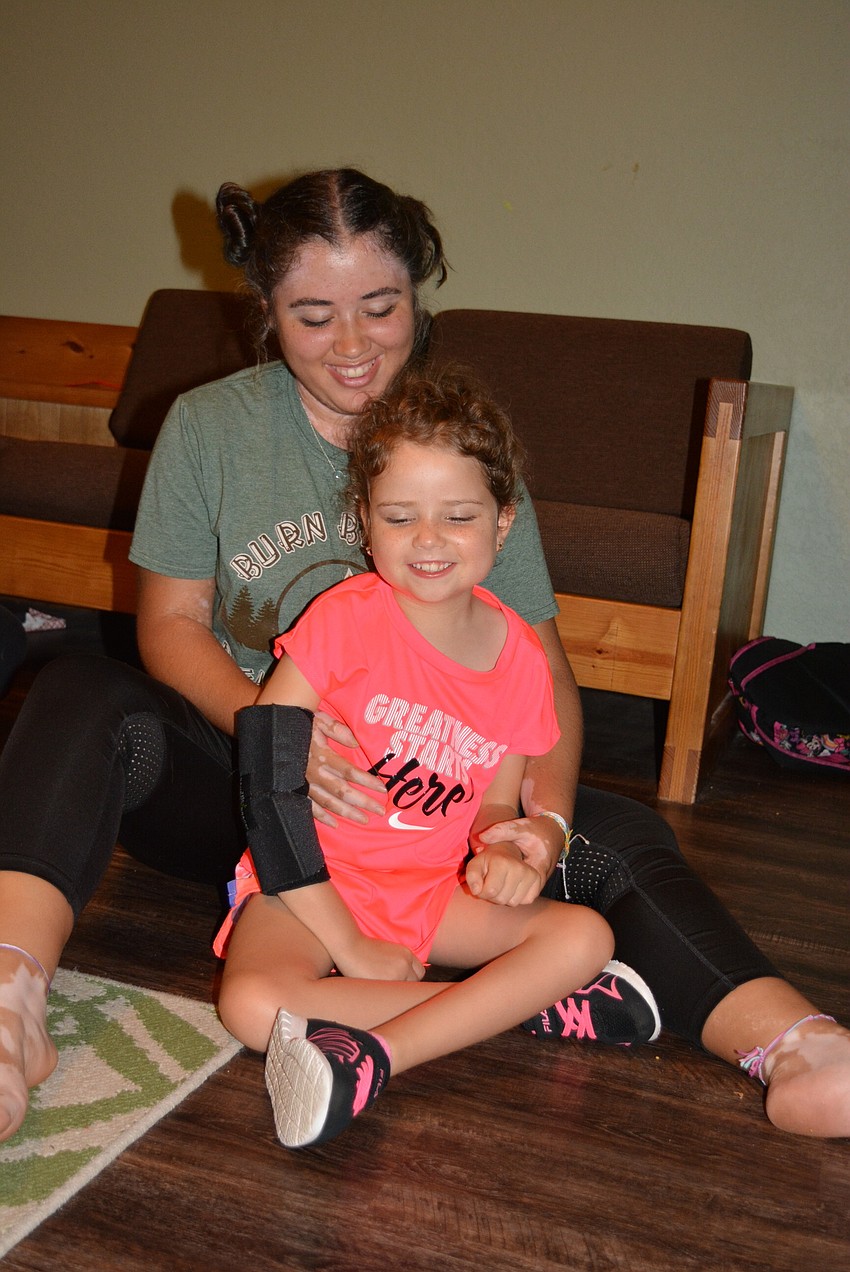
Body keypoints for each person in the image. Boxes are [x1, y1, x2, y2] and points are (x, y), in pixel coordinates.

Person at [0, 167, 847, 1145]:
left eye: (381, 307)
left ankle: (796, 1044)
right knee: (83, 692)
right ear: (266, 312)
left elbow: (540, 674)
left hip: (422, 816)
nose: (353, 345)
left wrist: (539, 824)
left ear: (418, 297)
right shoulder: (209, 426)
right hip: (240, 785)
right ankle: (12, 1007)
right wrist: (280, 741)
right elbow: (170, 626)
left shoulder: (463, 453)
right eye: (313, 315)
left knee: (607, 828)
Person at [215, 369, 646, 1147]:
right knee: (248, 1007)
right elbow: (268, 790)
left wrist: (507, 847)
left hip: (431, 892)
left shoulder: (521, 660)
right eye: (400, 516)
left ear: (503, 523)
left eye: (458, 516)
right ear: (364, 521)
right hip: (310, 882)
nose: (428, 539)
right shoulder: (340, 620)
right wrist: (349, 945)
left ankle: (380, 1054)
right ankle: (515, 1008)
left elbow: (494, 803)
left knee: (586, 938)